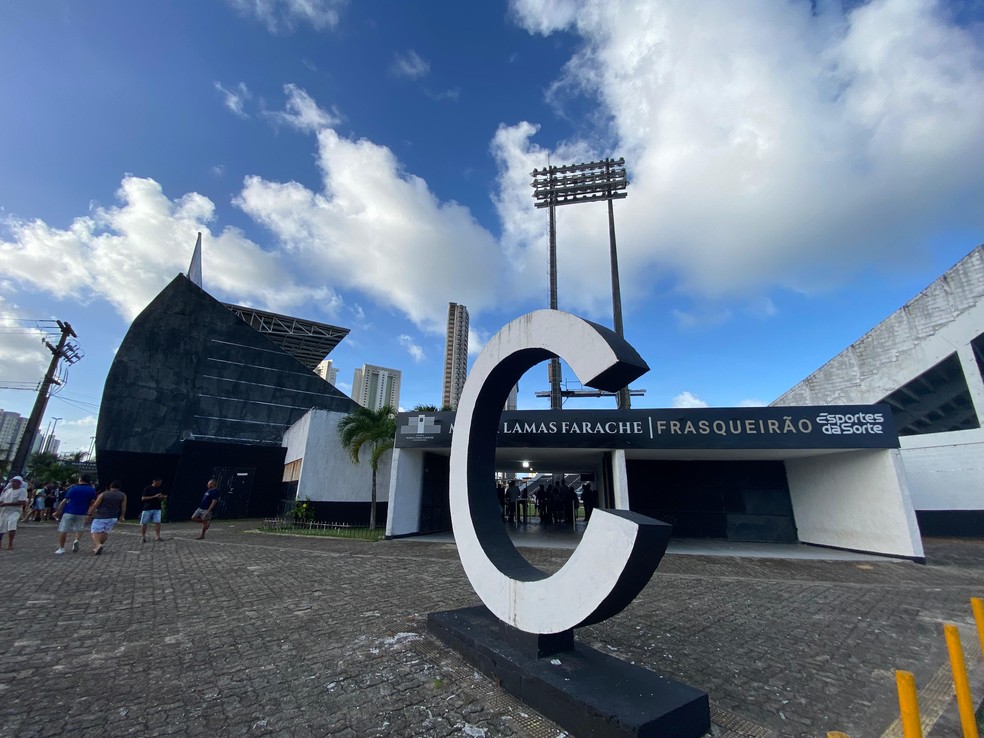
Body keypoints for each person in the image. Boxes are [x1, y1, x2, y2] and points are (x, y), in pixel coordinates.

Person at [54, 474, 98, 554]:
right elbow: (92, 503)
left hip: (69, 511)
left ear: (80, 479)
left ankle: (62, 548)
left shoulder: (73, 488)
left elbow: (64, 501)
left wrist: (58, 511)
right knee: (79, 528)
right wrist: (90, 514)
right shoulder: (91, 490)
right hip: (82, 512)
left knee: (63, 530)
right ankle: (76, 540)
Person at [86, 480, 127, 555]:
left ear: (110, 486)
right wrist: (122, 516)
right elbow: (123, 506)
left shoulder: (104, 494)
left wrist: (89, 514)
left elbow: (95, 504)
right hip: (113, 517)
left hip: (101, 516)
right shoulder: (123, 495)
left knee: (95, 531)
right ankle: (98, 546)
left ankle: (98, 545)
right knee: (105, 532)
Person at [0, 476, 29, 550]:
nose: (13, 483)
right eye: (12, 481)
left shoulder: (22, 491)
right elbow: (1, 500)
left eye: (15, 481)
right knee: (1, 527)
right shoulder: (8, 491)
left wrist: (6, 504)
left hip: (15, 511)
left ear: (19, 483)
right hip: (4, 511)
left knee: (11, 525)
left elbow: (22, 502)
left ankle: (10, 543)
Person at [140, 477, 167, 542]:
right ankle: (143, 537)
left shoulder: (161, 488)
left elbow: (165, 495)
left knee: (158, 522)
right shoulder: (148, 488)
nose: (159, 484)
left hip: (157, 508)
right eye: (157, 483)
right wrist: (154, 497)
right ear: (154, 481)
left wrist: (162, 497)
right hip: (148, 508)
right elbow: (143, 498)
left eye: (160, 483)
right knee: (144, 522)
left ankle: (158, 536)